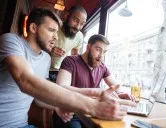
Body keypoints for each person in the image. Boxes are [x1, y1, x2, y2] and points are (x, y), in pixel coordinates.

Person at [0, 8, 137, 128]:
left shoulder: (45, 59)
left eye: (56, 31)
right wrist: (93, 106)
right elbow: (26, 81)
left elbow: (38, 98)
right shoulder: (10, 40)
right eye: (51, 30)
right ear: (33, 28)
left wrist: (57, 105)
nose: (55, 37)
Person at [54, 34, 137, 128]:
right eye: (98, 49)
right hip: (71, 112)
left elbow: (114, 85)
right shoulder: (70, 61)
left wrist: (120, 93)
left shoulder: (102, 67)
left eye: (104, 52)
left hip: (91, 112)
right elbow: (61, 88)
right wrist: (94, 92)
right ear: (88, 47)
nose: (101, 56)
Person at [49, 5, 87, 82]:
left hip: (60, 71)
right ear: (66, 16)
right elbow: (37, 45)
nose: (78, 27)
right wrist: (50, 50)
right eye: (76, 20)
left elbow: (75, 55)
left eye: (82, 24)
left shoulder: (80, 36)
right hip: (43, 66)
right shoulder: (54, 27)